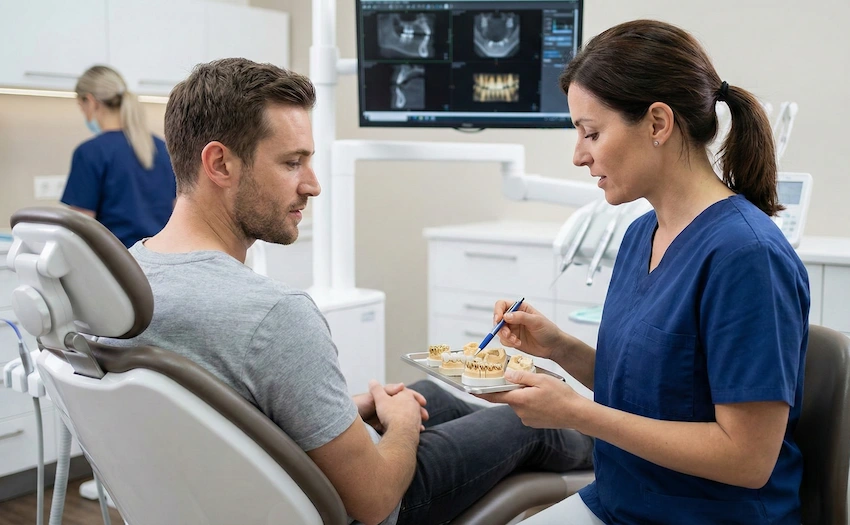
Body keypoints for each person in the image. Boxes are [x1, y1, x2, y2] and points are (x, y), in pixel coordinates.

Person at [103, 57, 593, 525]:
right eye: (292, 162)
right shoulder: (273, 314)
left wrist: (350, 410)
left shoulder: (122, 281)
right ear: (220, 164)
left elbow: (218, 415)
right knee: (525, 423)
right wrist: (398, 424)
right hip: (353, 510)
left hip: (228, 492)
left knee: (424, 394)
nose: (312, 185)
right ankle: (617, 449)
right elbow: (376, 500)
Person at [481, 20, 810, 525]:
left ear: (658, 123)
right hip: (622, 500)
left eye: (591, 133)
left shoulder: (747, 256)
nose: (579, 155)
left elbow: (747, 459)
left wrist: (574, 412)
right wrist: (559, 349)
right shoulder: (642, 235)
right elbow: (653, 391)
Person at [61, 65, 176, 248]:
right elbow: (176, 209)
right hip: (158, 261)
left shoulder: (90, 152)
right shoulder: (163, 149)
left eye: (81, 106)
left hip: (115, 266)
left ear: (90, 102)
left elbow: (79, 229)